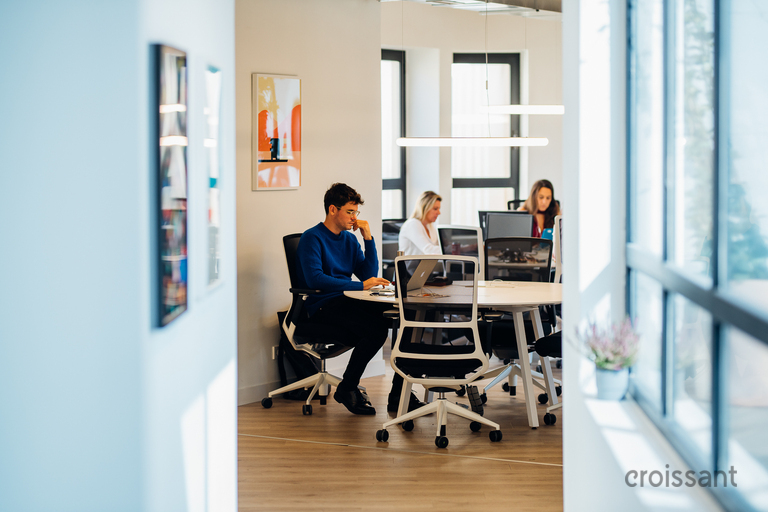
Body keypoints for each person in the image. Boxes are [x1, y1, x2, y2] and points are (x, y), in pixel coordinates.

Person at [296, 183, 423, 415]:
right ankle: (347, 387)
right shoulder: (311, 238)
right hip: (322, 304)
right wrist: (360, 285)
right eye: (350, 212)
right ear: (333, 210)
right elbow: (315, 279)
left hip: (346, 300)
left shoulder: (349, 240)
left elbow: (368, 274)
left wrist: (368, 238)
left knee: (405, 319)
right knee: (375, 331)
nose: (354, 218)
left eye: (357, 213)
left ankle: (399, 393)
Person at [398, 191, 443, 256]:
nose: (439, 213)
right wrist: (451, 251)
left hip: (427, 265)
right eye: (435, 209)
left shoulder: (430, 226)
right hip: (412, 266)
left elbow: (440, 246)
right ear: (424, 208)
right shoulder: (412, 224)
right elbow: (428, 250)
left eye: (439, 209)